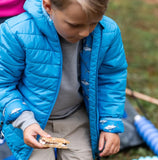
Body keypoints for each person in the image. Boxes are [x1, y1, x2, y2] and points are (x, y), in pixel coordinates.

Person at [0, 0, 128, 159]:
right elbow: (3, 85)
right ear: (48, 7)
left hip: (75, 118)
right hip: (30, 120)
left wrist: (110, 124)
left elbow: (111, 80)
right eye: (74, 25)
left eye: (93, 23)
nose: (85, 33)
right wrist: (25, 122)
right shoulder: (15, 32)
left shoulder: (108, 32)